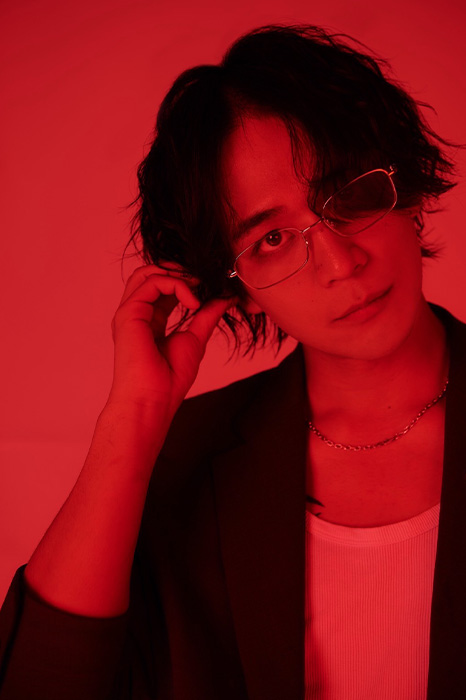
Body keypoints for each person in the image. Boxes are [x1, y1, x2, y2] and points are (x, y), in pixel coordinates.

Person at [0, 23, 465, 700]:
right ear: (233, 284)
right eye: (272, 238)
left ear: (408, 191)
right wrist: (133, 418)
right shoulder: (185, 465)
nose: (341, 263)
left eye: (350, 194)